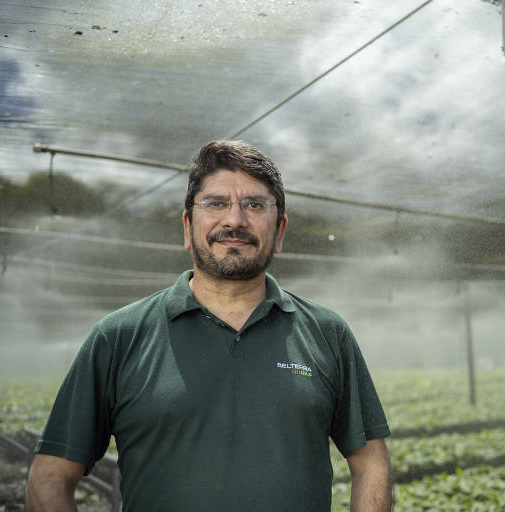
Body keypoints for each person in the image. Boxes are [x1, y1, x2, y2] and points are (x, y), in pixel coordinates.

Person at [26, 140, 392, 511]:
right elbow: (50, 478)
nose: (235, 220)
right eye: (216, 204)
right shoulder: (119, 336)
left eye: (255, 205)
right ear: (187, 227)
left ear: (279, 231)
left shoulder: (327, 333)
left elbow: (371, 462)